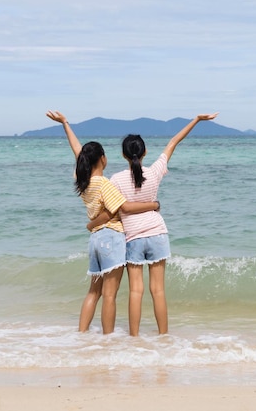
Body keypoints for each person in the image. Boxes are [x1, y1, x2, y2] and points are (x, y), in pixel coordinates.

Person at [88, 113, 218, 336]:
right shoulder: (155, 172)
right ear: (145, 152)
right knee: (158, 291)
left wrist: (91, 224)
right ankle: (163, 337)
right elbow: (174, 141)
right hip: (158, 233)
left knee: (135, 291)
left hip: (132, 237)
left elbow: (114, 206)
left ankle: (135, 338)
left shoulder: (116, 179)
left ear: (123, 155)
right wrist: (196, 120)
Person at [46, 110, 160, 334]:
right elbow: (123, 208)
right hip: (111, 237)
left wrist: (65, 124)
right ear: (102, 159)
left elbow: (77, 152)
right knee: (110, 294)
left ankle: (82, 334)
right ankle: (107, 342)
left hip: (95, 240)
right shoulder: (105, 184)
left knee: (93, 292)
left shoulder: (84, 181)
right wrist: (153, 205)